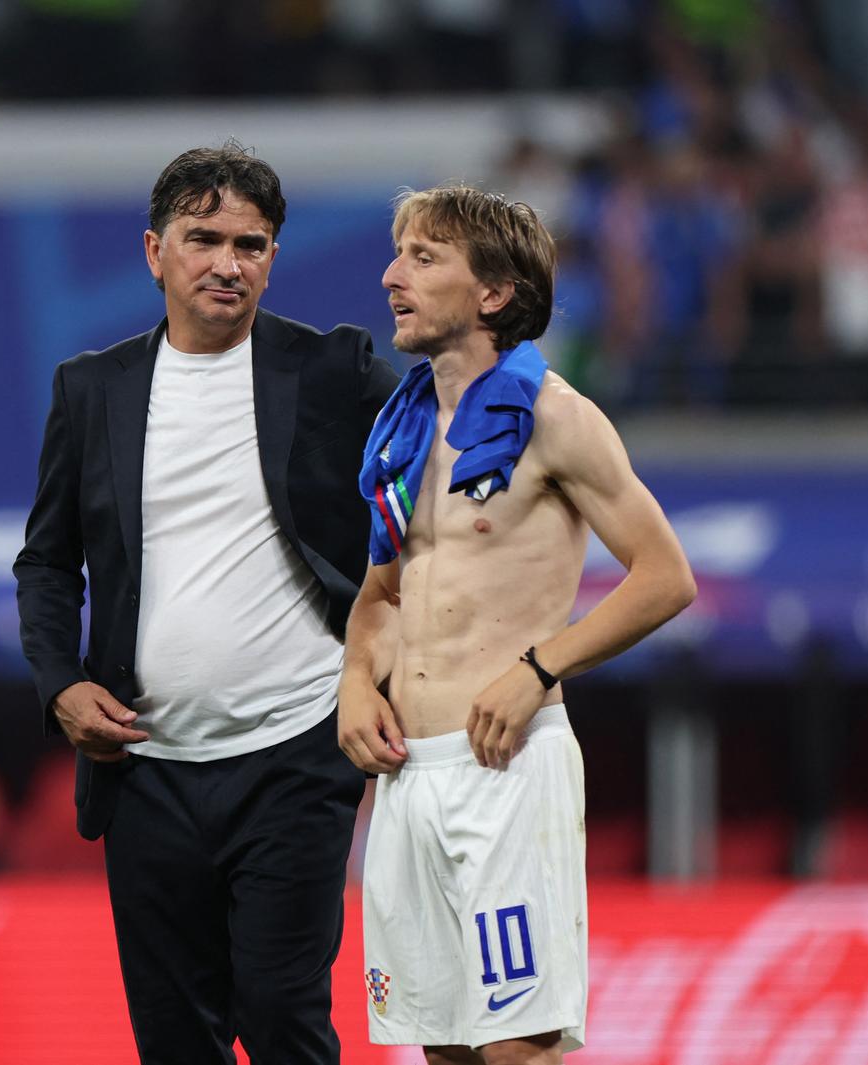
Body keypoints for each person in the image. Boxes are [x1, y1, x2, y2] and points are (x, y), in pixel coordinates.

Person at [13, 141, 401, 1063]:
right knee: (175, 1041)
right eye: (204, 238)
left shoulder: (333, 370)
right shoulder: (90, 389)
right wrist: (60, 684)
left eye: (252, 243)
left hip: (297, 757)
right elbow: (47, 563)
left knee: (281, 1017)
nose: (228, 262)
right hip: (146, 767)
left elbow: (447, 439)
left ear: (272, 257)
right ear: (154, 252)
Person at [338, 185, 697, 1065]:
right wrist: (354, 679)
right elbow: (384, 590)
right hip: (409, 780)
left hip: (506, 769)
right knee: (444, 1048)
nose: (392, 276)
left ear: (493, 292)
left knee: (518, 1049)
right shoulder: (404, 426)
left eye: (424, 258)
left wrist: (539, 667)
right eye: (398, 255)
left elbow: (666, 576)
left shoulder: (558, 417)